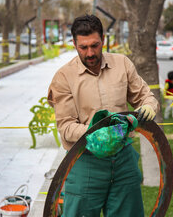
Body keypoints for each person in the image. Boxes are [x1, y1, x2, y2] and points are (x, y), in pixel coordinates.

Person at [47, 14, 159, 216]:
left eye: (95, 45)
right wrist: (96, 132)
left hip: (124, 159)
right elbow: (65, 127)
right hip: (85, 161)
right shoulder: (64, 77)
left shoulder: (122, 64)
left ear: (103, 40)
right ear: (74, 43)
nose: (90, 53)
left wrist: (149, 106)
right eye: (83, 47)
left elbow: (146, 97)